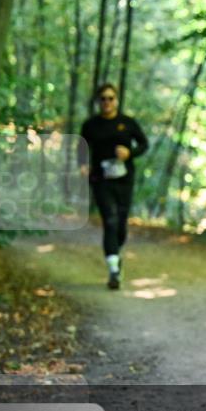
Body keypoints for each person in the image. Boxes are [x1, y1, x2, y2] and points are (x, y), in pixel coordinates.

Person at [80, 83, 149, 290]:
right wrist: (82, 165)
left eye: (110, 98)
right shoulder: (90, 125)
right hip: (101, 179)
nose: (107, 102)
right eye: (103, 98)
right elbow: (81, 148)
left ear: (116, 100)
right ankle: (113, 270)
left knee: (120, 225)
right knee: (109, 221)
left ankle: (115, 256)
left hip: (124, 180)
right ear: (98, 101)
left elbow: (144, 144)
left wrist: (129, 153)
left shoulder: (127, 123)